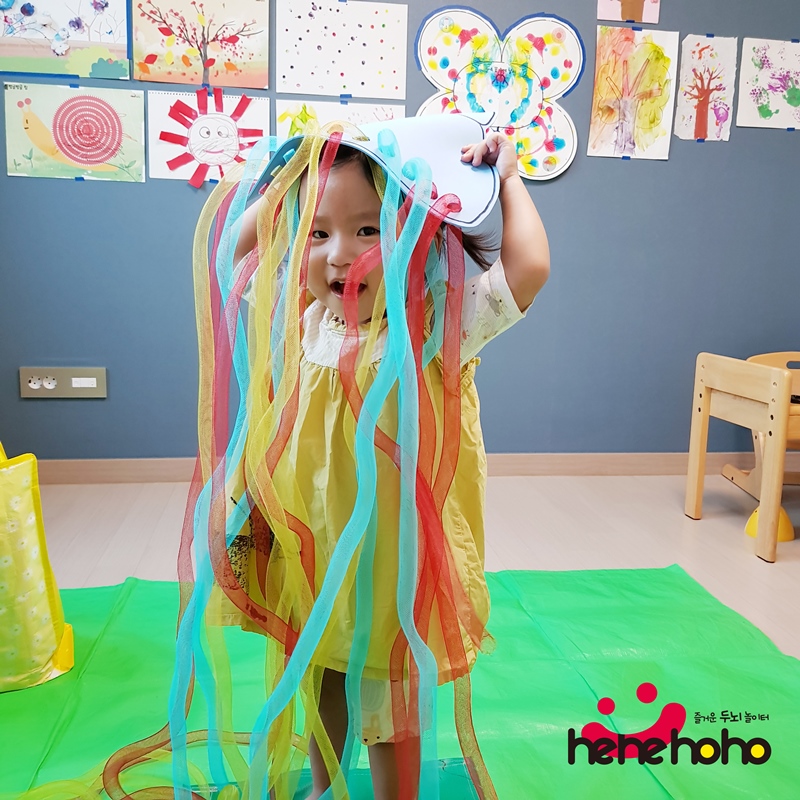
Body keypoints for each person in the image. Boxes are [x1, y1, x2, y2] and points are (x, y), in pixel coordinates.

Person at [190, 116, 550, 800]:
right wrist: (289, 179)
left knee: (390, 701)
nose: (339, 255)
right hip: (315, 550)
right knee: (322, 672)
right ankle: (325, 785)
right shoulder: (304, 319)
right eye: (318, 232)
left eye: (367, 230)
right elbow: (238, 252)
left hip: (394, 564)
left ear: (418, 237)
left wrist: (508, 177)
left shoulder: (440, 326)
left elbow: (529, 268)